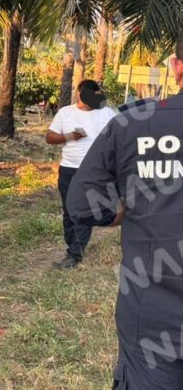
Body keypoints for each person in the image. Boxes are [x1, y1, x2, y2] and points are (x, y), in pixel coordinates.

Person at [68, 31, 183, 390]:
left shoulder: (133, 123)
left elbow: (81, 203)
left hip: (155, 312)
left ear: (176, 67)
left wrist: (123, 208)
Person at [45, 79, 116, 268]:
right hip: (69, 168)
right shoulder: (65, 113)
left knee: (82, 211)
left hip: (96, 171)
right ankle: (74, 245)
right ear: (78, 93)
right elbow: (49, 137)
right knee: (69, 211)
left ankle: (74, 254)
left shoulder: (107, 113)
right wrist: (69, 136)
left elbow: (119, 136)